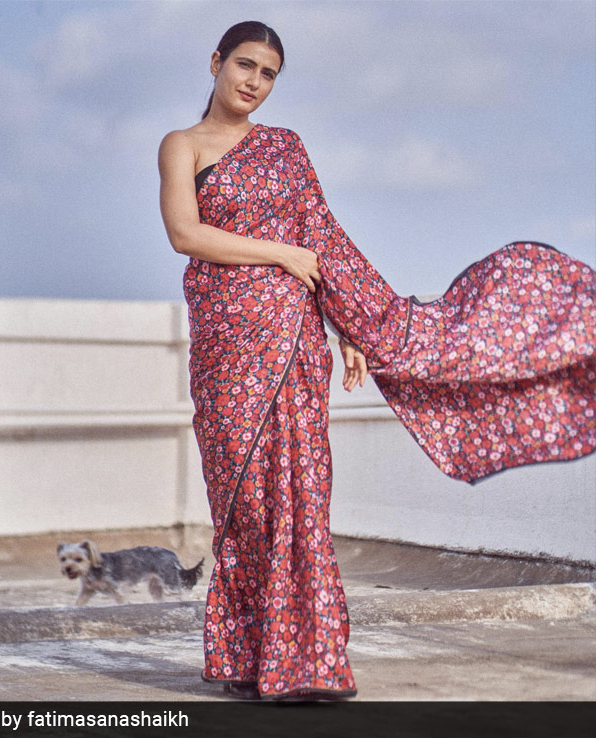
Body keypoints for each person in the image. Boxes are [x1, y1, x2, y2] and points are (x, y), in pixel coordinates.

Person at [158, 21, 594, 701]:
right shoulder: (181, 146)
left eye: (268, 74)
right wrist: (278, 253)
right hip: (224, 343)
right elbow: (185, 233)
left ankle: (305, 665)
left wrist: (348, 326)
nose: (253, 82)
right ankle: (246, 654)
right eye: (244, 65)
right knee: (240, 500)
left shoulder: (287, 149)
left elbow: (323, 240)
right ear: (215, 62)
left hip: (295, 341)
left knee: (299, 496)